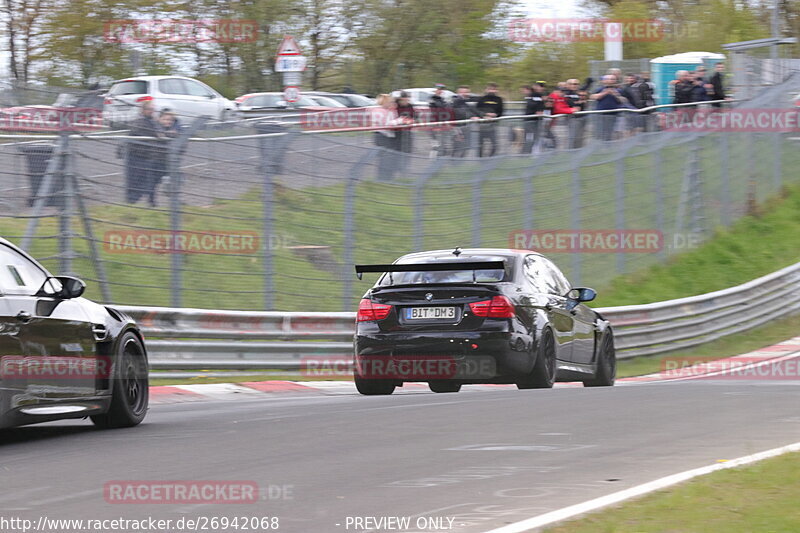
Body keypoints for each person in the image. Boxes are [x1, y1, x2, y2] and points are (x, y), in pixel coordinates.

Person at [125, 100, 162, 205]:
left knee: (149, 180)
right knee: (137, 181)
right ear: (143, 110)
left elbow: (159, 133)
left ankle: (151, 202)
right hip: (137, 156)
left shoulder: (152, 121)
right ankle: (131, 202)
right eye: (150, 109)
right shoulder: (139, 121)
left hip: (148, 156)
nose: (152, 111)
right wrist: (157, 134)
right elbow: (144, 132)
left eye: (153, 109)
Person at [590, 75, 627, 141]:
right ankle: (600, 144)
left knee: (610, 132)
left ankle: (608, 145)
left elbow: (623, 101)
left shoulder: (619, 90)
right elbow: (593, 97)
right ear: (605, 80)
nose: (611, 81)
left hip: (613, 114)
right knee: (600, 131)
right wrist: (604, 93)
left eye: (613, 79)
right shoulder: (599, 89)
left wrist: (615, 94)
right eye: (609, 79)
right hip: (601, 114)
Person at [372, 94, 400, 180]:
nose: (392, 103)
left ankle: (386, 177)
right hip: (383, 136)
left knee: (387, 159)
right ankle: (384, 178)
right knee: (385, 159)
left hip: (384, 136)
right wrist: (399, 121)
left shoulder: (386, 111)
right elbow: (387, 124)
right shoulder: (381, 111)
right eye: (390, 102)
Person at [476, 83, 504, 157]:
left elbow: (501, 111)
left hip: (493, 126)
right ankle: (480, 160)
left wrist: (495, 115)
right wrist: (485, 115)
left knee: (495, 145)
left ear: (497, 90)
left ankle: (490, 159)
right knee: (480, 145)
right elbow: (477, 110)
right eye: (490, 89)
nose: (492, 91)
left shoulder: (499, 99)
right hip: (482, 126)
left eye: (494, 89)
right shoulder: (481, 99)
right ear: (486, 90)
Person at [451, 85, 479, 157]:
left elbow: (473, 111)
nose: (464, 94)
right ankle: (453, 162)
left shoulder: (468, 102)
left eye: (466, 92)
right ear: (458, 93)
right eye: (462, 92)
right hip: (457, 127)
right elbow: (459, 112)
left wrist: (478, 115)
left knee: (466, 146)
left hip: (466, 126)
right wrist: (471, 116)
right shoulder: (455, 101)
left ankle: (460, 163)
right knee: (457, 146)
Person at [428, 83, 451, 156]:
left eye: (441, 90)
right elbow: (436, 108)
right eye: (438, 89)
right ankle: (433, 160)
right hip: (434, 122)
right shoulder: (432, 98)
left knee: (443, 142)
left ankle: (441, 157)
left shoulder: (442, 99)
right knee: (435, 144)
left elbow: (446, 109)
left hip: (442, 122)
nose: (440, 91)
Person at [564, 79, 588, 148]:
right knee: (573, 137)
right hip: (572, 118)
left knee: (580, 137)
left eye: (576, 84)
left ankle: (578, 151)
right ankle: (571, 151)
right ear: (567, 85)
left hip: (582, 116)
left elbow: (582, 104)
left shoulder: (578, 93)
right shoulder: (566, 93)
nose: (574, 86)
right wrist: (578, 103)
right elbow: (569, 103)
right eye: (572, 84)